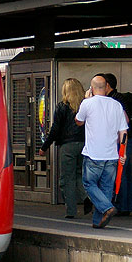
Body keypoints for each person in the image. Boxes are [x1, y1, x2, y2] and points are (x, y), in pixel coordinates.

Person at [76, 75, 128, 228]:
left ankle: (107, 208)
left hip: (93, 153)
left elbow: (78, 121)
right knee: (106, 187)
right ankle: (98, 221)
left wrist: (86, 99)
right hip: (112, 154)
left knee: (89, 183)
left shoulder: (87, 103)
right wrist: (122, 153)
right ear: (106, 88)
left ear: (91, 88)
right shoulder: (117, 105)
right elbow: (123, 131)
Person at [39, 78, 86, 218]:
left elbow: (55, 129)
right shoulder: (86, 105)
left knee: (67, 179)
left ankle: (71, 211)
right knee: (80, 175)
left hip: (68, 146)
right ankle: (87, 197)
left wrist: (45, 146)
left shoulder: (62, 106)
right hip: (85, 145)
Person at [100, 73, 132, 215]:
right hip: (128, 139)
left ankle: (121, 204)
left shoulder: (114, 100)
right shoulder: (120, 98)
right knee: (125, 172)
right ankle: (126, 205)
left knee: (120, 172)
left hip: (121, 140)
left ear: (107, 85)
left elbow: (124, 121)